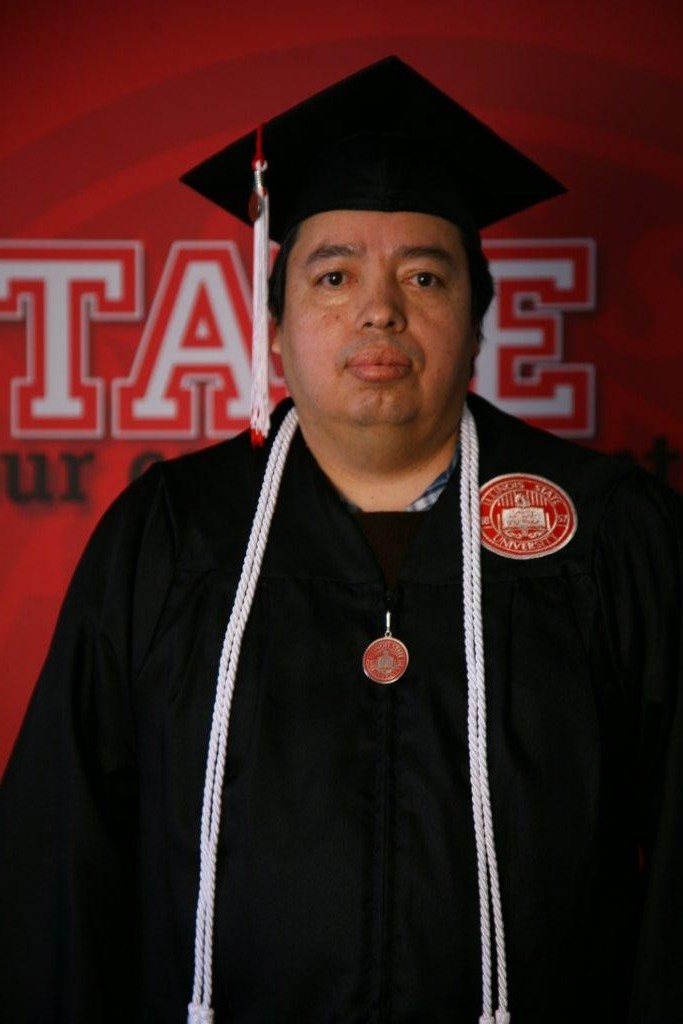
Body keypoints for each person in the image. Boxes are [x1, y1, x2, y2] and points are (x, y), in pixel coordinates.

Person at [1, 57, 681, 1024]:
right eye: (333, 274)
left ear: (477, 318)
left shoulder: (606, 529)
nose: (378, 308)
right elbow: (58, 862)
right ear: (275, 327)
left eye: (423, 274)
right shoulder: (169, 534)